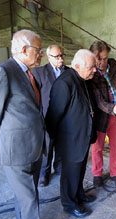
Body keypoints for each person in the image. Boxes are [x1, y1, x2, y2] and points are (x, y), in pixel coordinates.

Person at [0, 29, 44, 219]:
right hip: (15, 150)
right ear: (24, 49)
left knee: (26, 197)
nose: (41, 54)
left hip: (33, 147)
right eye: (39, 50)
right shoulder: (3, 72)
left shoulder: (29, 73)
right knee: (30, 201)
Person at [45, 49, 97, 218]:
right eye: (91, 67)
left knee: (80, 170)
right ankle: (69, 203)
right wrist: (57, 142)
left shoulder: (83, 79)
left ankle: (79, 194)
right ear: (77, 66)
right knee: (69, 173)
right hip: (69, 141)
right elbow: (53, 115)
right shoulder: (64, 83)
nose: (94, 70)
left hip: (82, 137)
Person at [89, 40, 116, 188]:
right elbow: (98, 99)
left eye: (104, 58)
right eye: (98, 59)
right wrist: (112, 108)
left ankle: (115, 173)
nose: (102, 62)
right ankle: (97, 174)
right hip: (100, 116)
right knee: (97, 147)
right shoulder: (91, 72)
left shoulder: (114, 64)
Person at [32, 45, 68, 187]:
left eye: (62, 55)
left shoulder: (68, 72)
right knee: (47, 146)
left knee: (61, 145)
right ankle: (44, 173)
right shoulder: (40, 72)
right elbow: (36, 96)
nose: (60, 58)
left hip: (65, 117)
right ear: (49, 57)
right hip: (48, 116)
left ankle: (59, 167)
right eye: (57, 56)